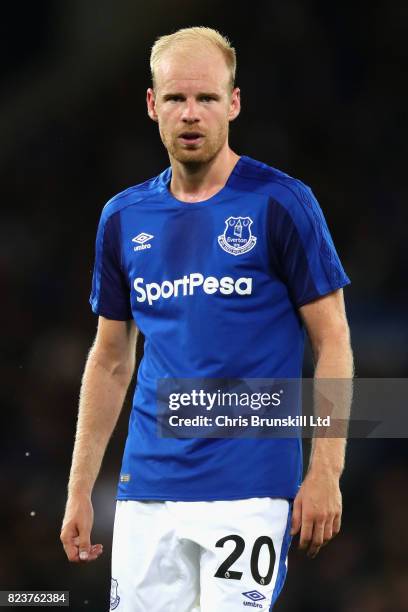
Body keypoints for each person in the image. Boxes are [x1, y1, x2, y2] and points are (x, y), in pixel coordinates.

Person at [60, 26, 353, 612]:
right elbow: (112, 359)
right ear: (152, 105)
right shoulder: (122, 218)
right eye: (175, 99)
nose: (191, 114)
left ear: (233, 103)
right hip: (147, 488)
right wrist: (79, 489)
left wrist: (326, 471)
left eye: (207, 98)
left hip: (249, 486)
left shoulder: (281, 203)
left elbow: (334, 341)